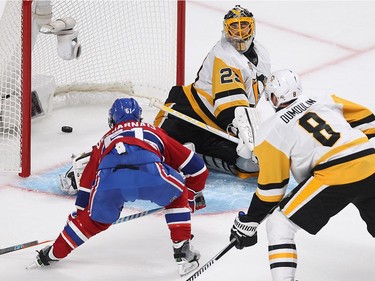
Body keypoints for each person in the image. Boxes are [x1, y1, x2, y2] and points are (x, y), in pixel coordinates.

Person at [30, 97, 209, 276]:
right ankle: (182, 252)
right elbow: (198, 169)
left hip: (109, 179)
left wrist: (79, 215)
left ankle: (52, 254)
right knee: (177, 195)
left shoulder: (104, 141)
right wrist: (191, 196)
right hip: (149, 172)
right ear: (139, 118)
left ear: (112, 120)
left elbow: (85, 185)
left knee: (92, 221)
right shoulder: (153, 131)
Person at [229, 69, 375, 280]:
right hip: (370, 161)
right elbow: (369, 121)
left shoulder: (271, 130)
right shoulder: (323, 98)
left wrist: (250, 221)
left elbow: (272, 190)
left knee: (279, 224)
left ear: (275, 97)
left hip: (333, 174)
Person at [153, 5, 271, 179]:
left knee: (250, 166)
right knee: (156, 152)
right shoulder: (226, 56)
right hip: (185, 116)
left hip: (217, 127)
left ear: (252, 27)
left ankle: (193, 152)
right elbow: (231, 112)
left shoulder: (262, 54)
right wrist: (251, 143)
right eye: (234, 27)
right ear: (226, 29)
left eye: (243, 25)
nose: (239, 32)